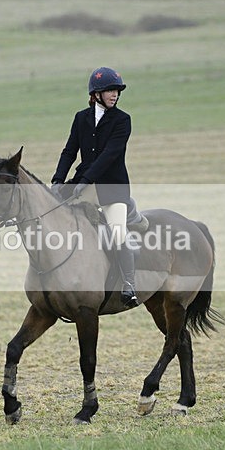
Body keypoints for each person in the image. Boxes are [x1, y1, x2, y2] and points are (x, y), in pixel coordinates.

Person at [50, 67, 140, 308]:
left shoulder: (123, 120)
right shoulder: (81, 118)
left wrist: (84, 181)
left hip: (112, 189)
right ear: (96, 94)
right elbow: (69, 151)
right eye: (110, 90)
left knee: (117, 232)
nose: (115, 95)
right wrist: (58, 180)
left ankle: (129, 285)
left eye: (117, 91)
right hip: (83, 183)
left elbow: (109, 156)